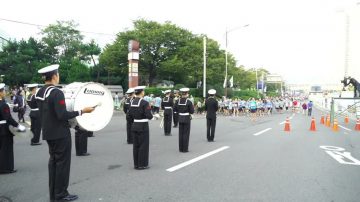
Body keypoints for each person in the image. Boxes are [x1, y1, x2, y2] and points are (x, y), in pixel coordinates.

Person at [35, 64, 94, 202]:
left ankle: (54, 194)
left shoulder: (39, 92)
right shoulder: (56, 92)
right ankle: (61, 194)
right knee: (62, 165)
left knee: (54, 163)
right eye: (58, 74)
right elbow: (62, 115)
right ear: (55, 76)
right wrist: (82, 111)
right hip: (61, 134)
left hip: (49, 133)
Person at [0, 83, 26, 174]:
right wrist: (18, 126)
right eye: (3, 91)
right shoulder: (3, 105)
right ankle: (6, 168)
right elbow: (8, 118)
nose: (4, 92)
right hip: (4, 129)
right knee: (6, 149)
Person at [127, 86, 153, 170]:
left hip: (134, 125)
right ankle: (142, 164)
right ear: (142, 92)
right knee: (143, 145)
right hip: (143, 126)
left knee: (136, 145)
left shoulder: (132, 102)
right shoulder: (145, 103)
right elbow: (149, 116)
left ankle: (136, 164)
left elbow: (129, 116)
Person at [174, 88, 194, 152]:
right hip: (186, 118)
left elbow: (175, 109)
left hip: (180, 117)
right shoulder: (189, 102)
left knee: (181, 133)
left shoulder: (177, 101)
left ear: (182, 93)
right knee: (186, 134)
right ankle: (185, 149)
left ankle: (180, 148)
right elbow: (192, 111)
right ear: (187, 94)